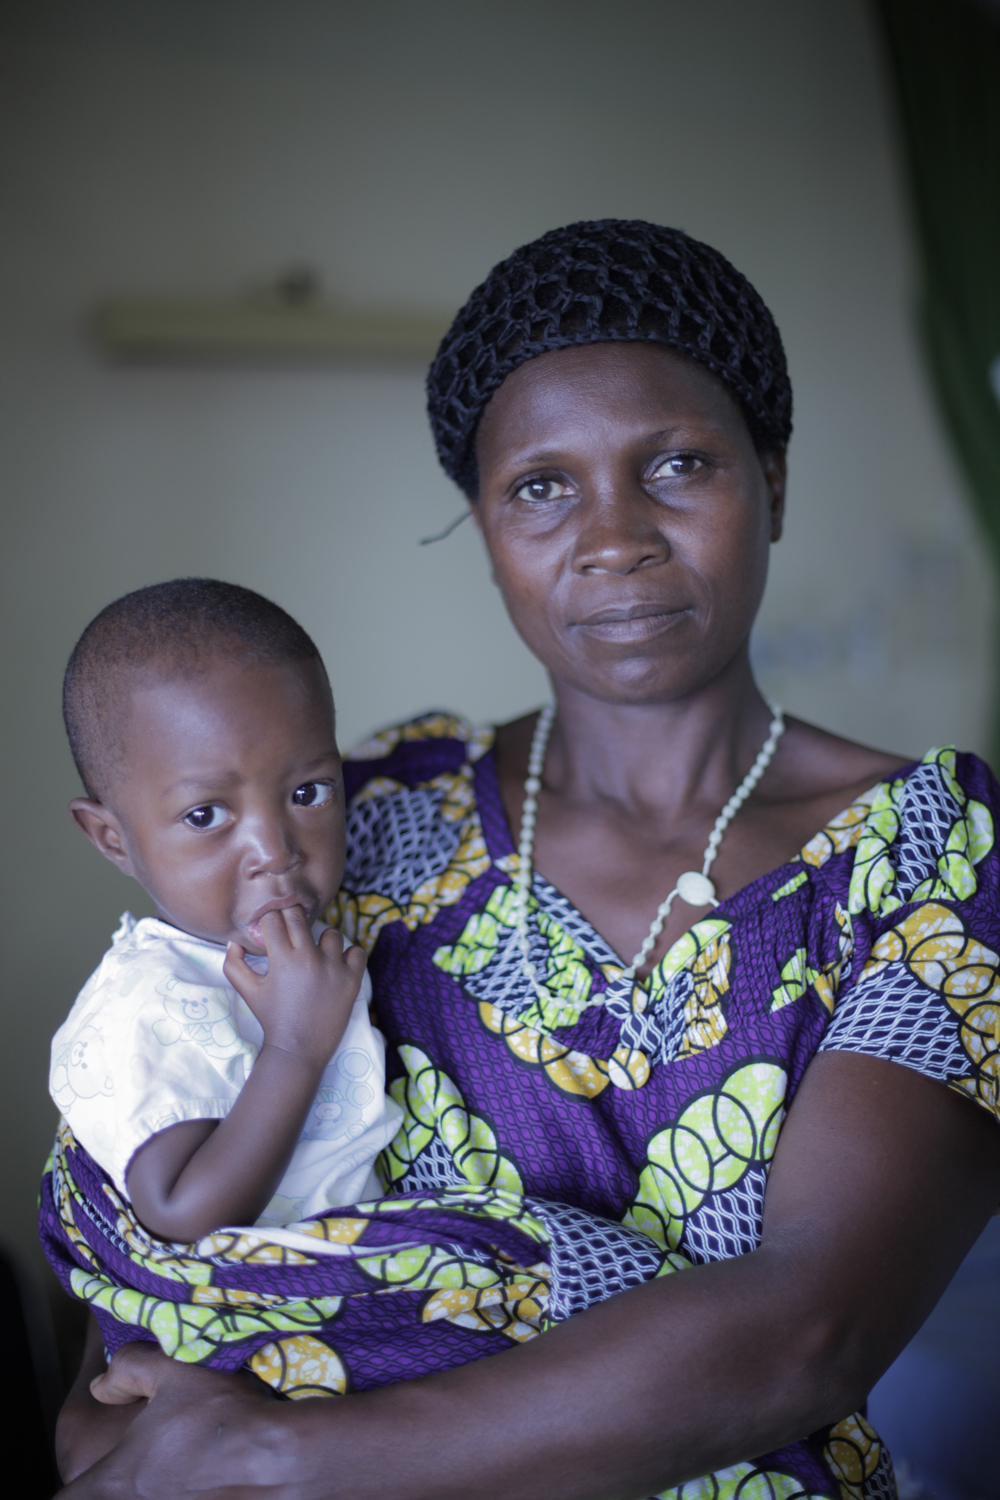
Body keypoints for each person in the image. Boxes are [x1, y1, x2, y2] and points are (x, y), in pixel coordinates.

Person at [55, 220, 1000, 1500]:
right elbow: (152, 1261)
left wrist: (277, 1454)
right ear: (485, 528)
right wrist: (121, 1435)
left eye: (677, 464)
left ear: (771, 483)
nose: (613, 537)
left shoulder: (929, 856)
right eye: (541, 488)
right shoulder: (362, 817)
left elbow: (811, 1330)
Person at [41, 576, 680, 1394]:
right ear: (112, 838)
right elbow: (179, 1213)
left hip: (359, 1292)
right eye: (206, 816)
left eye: (307, 793)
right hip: (268, 1323)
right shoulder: (145, 1005)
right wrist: (295, 1047)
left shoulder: (322, 934)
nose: (276, 849)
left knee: (619, 1329)